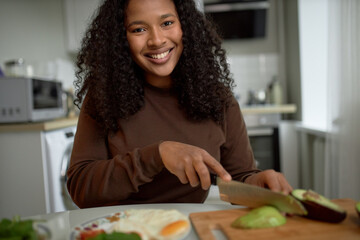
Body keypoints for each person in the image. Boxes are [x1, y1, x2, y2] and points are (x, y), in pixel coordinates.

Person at [67, 0, 292, 208]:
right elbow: (80, 187)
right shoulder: (103, 97)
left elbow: (237, 180)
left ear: (185, 25)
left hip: (189, 227)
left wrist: (258, 184)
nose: (157, 40)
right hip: (123, 228)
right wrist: (157, 155)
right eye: (139, 29)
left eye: (167, 23)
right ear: (120, 38)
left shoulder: (218, 98)